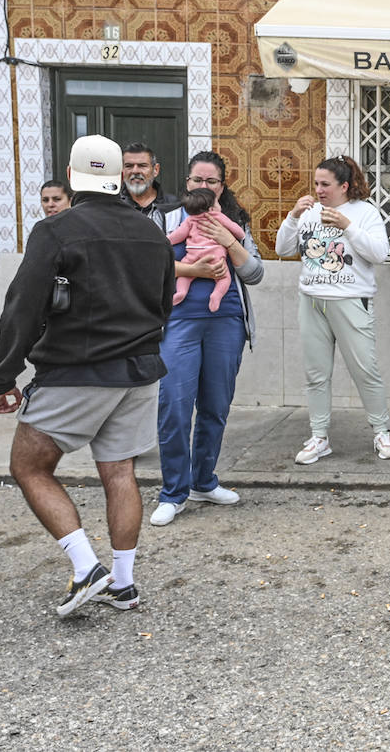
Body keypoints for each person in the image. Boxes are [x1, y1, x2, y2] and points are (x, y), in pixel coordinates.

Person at [0, 134, 175, 615]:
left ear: (71, 178)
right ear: (117, 178)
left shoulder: (56, 230)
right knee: (119, 471)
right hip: (139, 371)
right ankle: (124, 584)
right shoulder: (152, 233)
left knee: (29, 467)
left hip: (77, 370)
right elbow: (163, 305)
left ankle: (86, 566)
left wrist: (2, 376)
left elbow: (22, 309)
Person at [150, 151, 263, 526]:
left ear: (221, 185)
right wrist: (192, 268)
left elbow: (255, 273)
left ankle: (203, 481)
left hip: (226, 321)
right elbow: (146, 264)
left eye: (210, 181)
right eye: (197, 180)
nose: (203, 186)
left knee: (215, 405)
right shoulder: (166, 218)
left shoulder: (235, 220)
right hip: (179, 322)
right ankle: (173, 493)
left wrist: (228, 241)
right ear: (186, 183)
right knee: (175, 406)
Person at [275, 156, 390, 464]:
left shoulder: (364, 212)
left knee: (365, 370)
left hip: (351, 300)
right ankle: (319, 437)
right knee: (316, 374)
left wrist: (348, 226)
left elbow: (380, 254)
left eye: (325, 185)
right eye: (316, 183)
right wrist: (292, 217)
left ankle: (381, 432)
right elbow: (282, 249)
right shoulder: (308, 213)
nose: (318, 190)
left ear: (344, 186)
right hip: (312, 299)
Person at [167, 187, 246, 311]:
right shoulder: (217, 216)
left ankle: (181, 293)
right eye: (217, 203)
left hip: (192, 255)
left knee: (185, 276)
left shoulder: (190, 220)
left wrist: (166, 240)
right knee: (224, 278)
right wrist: (239, 235)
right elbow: (239, 232)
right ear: (211, 208)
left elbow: (177, 236)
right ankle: (216, 295)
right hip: (214, 256)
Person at [120, 142, 180, 230]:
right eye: (129, 166)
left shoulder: (173, 205)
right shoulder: (114, 204)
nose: (135, 171)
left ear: (156, 170)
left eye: (142, 166)